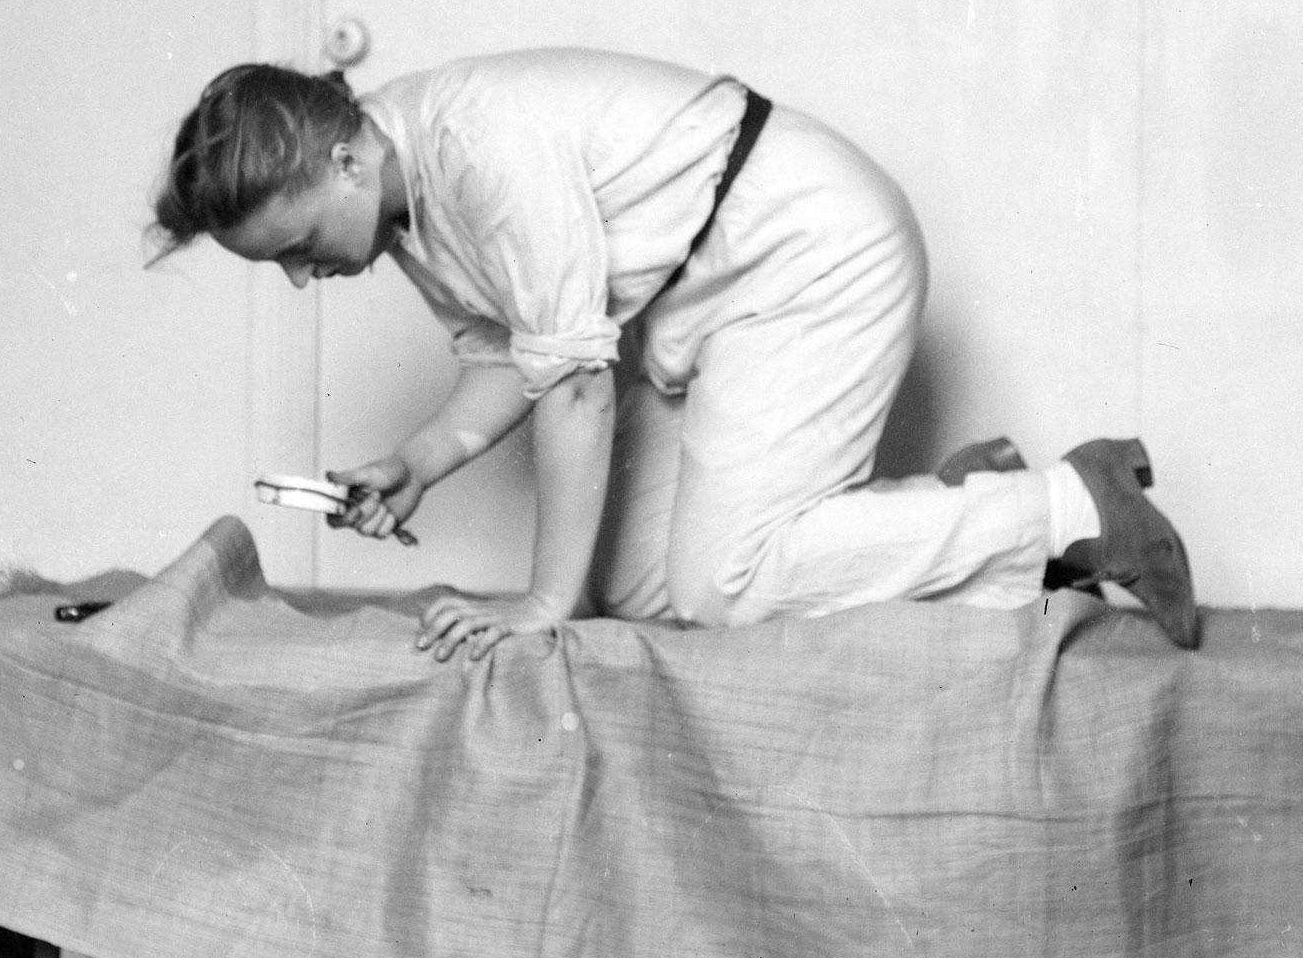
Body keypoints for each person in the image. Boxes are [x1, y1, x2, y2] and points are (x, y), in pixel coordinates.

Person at [149, 48, 1199, 660]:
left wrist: (537, 604)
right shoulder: (398, 203)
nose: (300, 277)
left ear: (343, 154)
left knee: (721, 588)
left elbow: (569, 388)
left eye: (293, 247)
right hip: (715, 296)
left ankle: (1071, 506)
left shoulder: (476, 146)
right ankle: (960, 509)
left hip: (805, 247)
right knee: (638, 588)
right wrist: (418, 462)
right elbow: (510, 357)